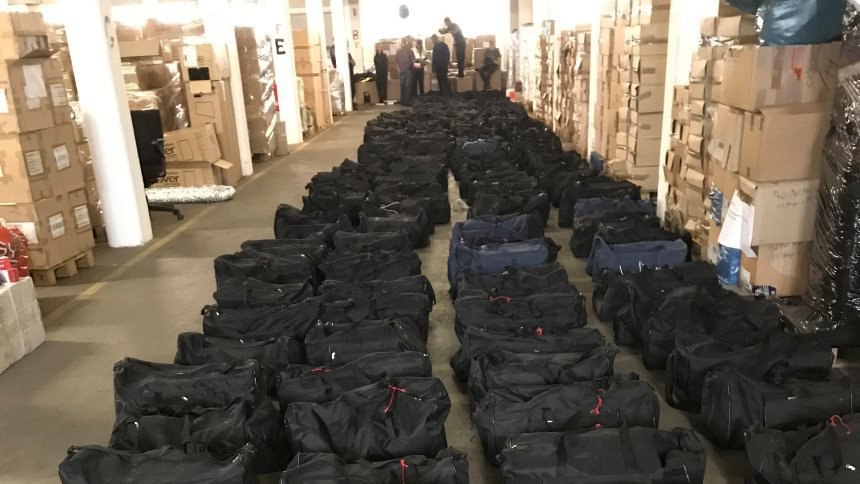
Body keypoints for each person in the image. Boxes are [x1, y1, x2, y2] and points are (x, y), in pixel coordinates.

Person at [395, 37, 416, 105]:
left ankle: (402, 101)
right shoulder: (409, 50)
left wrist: (398, 69)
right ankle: (407, 101)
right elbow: (413, 60)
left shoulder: (398, 51)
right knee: (408, 86)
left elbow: (396, 62)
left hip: (401, 70)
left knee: (402, 86)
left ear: (401, 43)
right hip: (408, 70)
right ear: (406, 42)